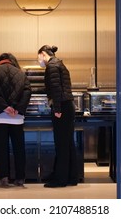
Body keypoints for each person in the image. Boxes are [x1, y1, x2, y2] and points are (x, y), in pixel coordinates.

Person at [0, 53, 31, 188]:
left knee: (1, 148)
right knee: (18, 147)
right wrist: (17, 108)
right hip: (16, 118)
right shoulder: (21, 73)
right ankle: (20, 178)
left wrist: (4, 108)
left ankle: (3, 177)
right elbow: (27, 91)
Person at [37, 45, 78, 188]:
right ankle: (72, 177)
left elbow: (56, 89)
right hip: (68, 105)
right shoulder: (60, 64)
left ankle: (60, 180)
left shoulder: (52, 66)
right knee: (68, 144)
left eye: (38, 57)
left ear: (42, 54)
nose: (39, 60)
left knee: (61, 144)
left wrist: (57, 109)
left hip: (62, 107)